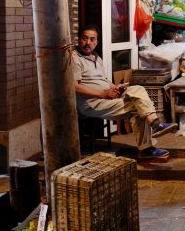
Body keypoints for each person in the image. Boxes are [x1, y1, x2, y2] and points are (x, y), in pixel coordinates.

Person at [72, 24, 178, 160]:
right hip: (91, 103)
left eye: (92, 39)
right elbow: (74, 87)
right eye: (84, 39)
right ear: (79, 39)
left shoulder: (97, 58)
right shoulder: (75, 59)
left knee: (138, 89)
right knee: (138, 107)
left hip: (105, 96)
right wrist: (103, 94)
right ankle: (149, 142)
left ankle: (154, 127)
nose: (88, 43)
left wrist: (115, 87)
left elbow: (104, 81)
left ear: (97, 42)